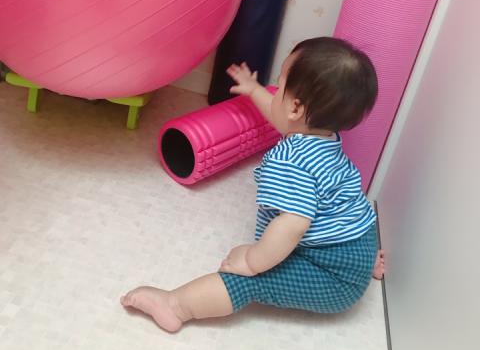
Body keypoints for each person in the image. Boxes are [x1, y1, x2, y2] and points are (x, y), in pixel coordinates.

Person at [121, 37, 385, 333]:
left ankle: (176, 306)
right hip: (359, 243)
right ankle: (362, 265)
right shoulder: (325, 138)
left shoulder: (290, 161)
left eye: (279, 86)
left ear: (295, 107)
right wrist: (253, 89)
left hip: (334, 280)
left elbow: (294, 224)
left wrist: (252, 261)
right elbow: (282, 119)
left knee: (249, 280)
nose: (275, 93)